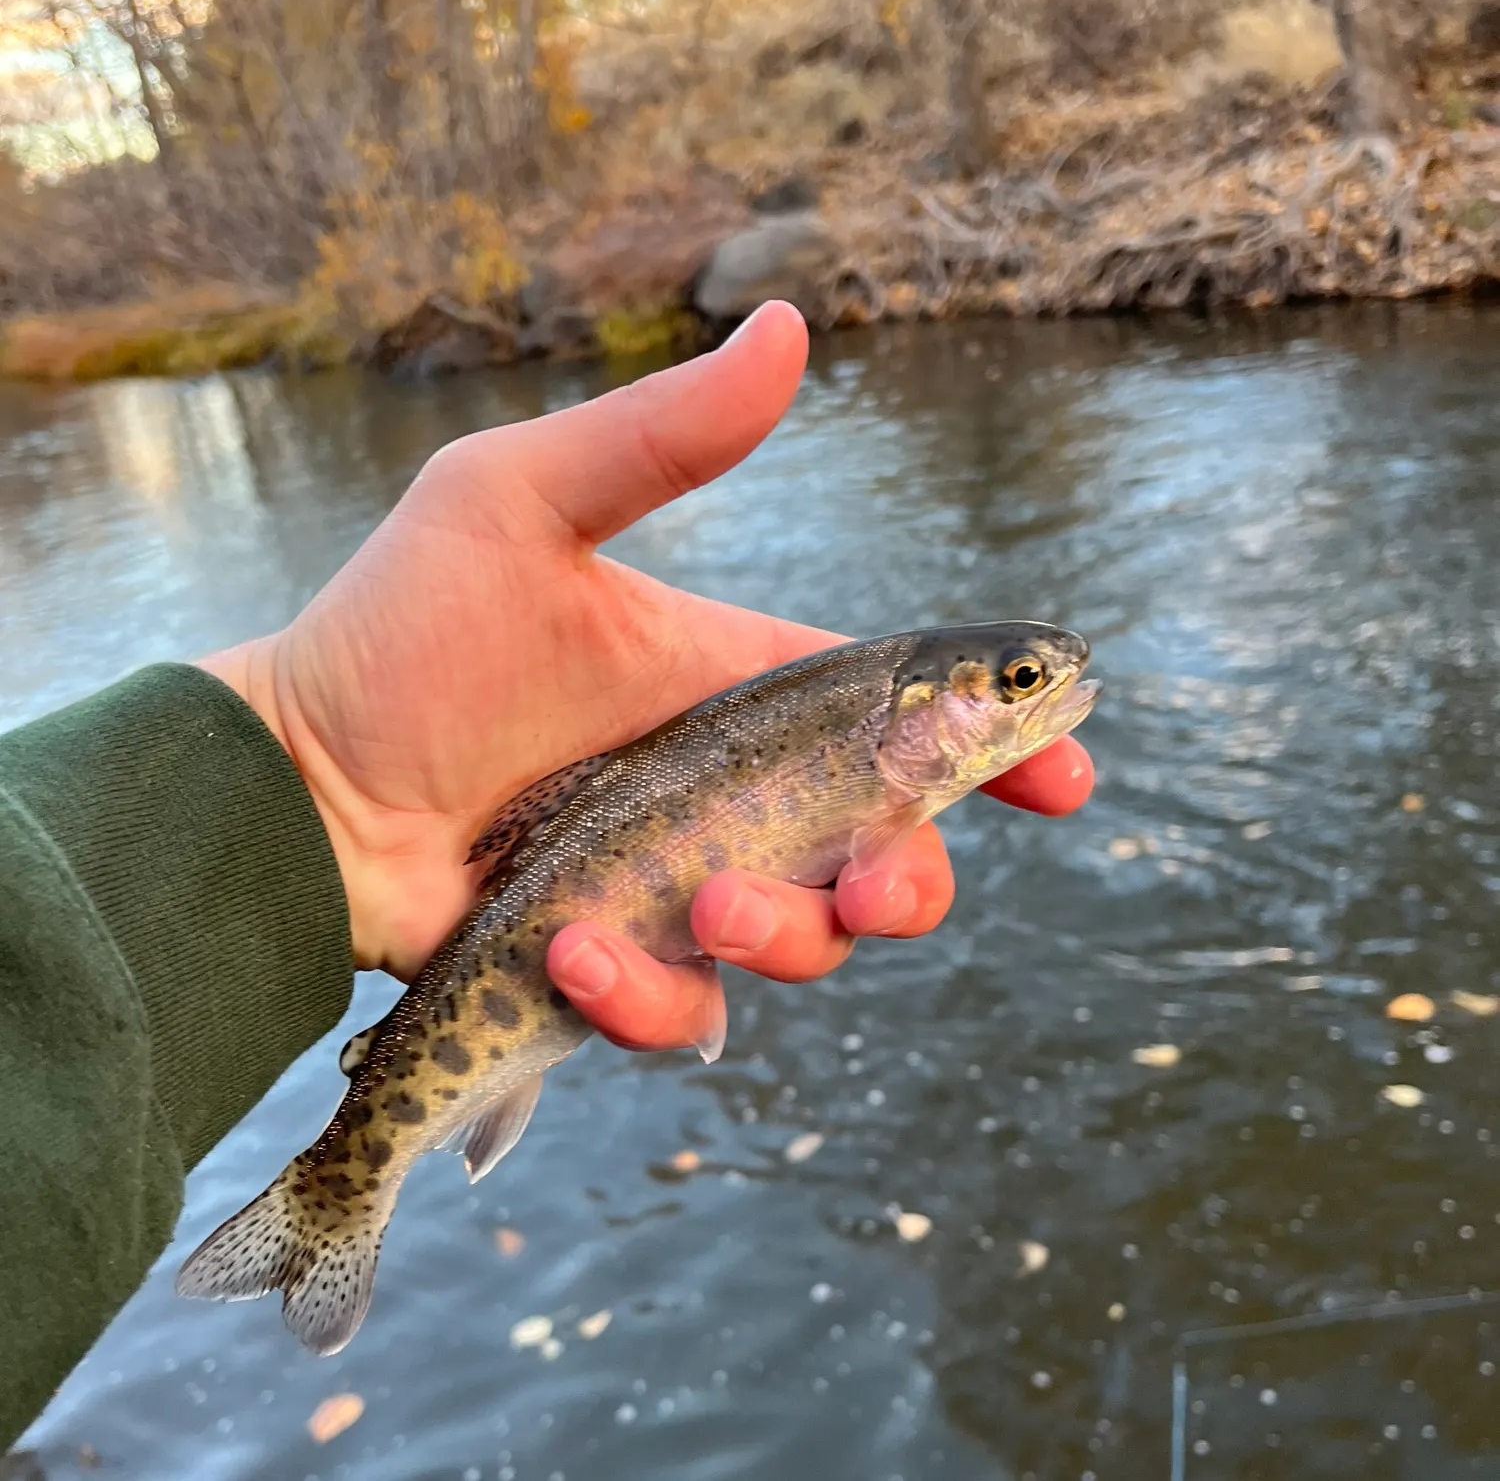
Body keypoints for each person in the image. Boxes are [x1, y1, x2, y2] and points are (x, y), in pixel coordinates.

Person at [0, 301, 1093, 1450]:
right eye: (1020, 679)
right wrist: (307, 764)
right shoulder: (867, 742)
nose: (1045, 684)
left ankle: (346, 1176)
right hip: (502, 952)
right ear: (919, 714)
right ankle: (339, 1184)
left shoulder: (880, 754)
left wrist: (304, 779)